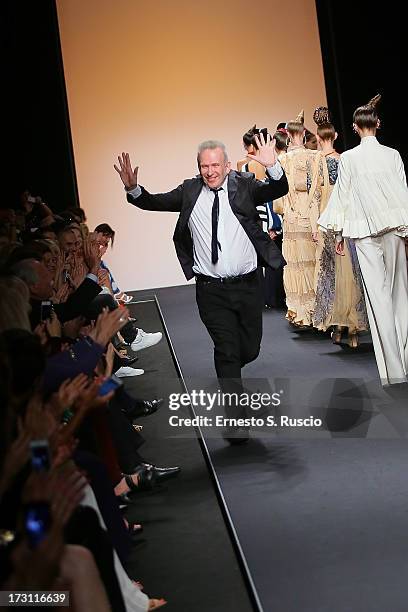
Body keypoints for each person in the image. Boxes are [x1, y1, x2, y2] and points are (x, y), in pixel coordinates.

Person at [115, 137, 288, 442]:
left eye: (214, 165)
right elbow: (155, 201)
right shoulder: (190, 190)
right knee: (226, 349)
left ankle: (233, 377)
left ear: (226, 164)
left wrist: (272, 166)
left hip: (248, 285)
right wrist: (133, 189)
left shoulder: (245, 184)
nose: (209, 172)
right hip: (211, 290)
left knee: (249, 349)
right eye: (204, 166)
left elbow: (277, 190)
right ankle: (237, 422)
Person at [318, 94, 408, 385]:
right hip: (394, 229)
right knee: (399, 295)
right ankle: (404, 362)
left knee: (378, 298)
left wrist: (338, 233)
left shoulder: (351, 159)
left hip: (366, 234)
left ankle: (394, 371)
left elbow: (342, 196)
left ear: (356, 128)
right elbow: (402, 193)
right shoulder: (392, 155)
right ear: (377, 124)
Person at [310, 107, 368, 347]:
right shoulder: (343, 160)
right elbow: (350, 194)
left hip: (325, 220)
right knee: (348, 274)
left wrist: (314, 225)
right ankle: (352, 328)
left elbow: (313, 196)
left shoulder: (314, 162)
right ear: (334, 136)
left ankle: (338, 327)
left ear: (318, 136)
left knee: (331, 274)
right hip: (343, 220)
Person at [278, 110, 321, 326]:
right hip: (310, 213)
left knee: (296, 265)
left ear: (288, 136)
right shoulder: (314, 156)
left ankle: (300, 313)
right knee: (312, 263)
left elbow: (278, 194)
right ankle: (315, 311)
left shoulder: (282, 159)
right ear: (303, 134)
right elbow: (318, 189)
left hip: (291, 215)